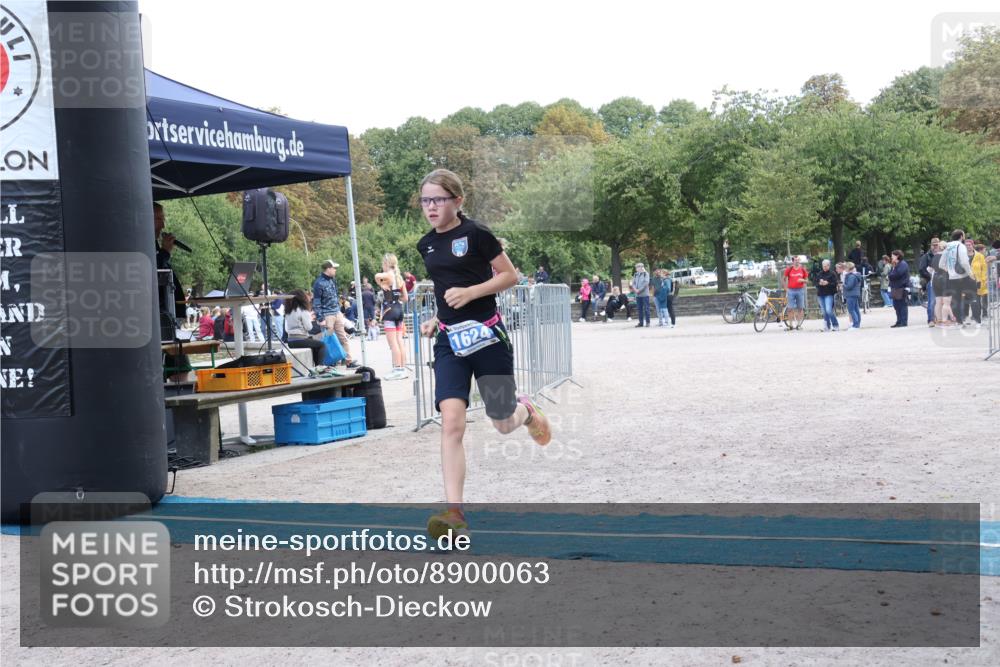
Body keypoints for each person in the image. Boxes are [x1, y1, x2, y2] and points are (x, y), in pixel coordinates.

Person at [416, 169, 551, 538]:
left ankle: (526, 411)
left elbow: (510, 276)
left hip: (488, 337)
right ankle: (455, 513)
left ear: (457, 201)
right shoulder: (425, 244)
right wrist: (435, 318)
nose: (431, 207)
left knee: (502, 422)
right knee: (452, 422)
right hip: (449, 344)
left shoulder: (476, 234)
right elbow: (447, 290)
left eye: (438, 200)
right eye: (426, 200)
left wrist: (472, 292)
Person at [153, 202, 190, 382]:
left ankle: (180, 398)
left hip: (168, 314)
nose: (163, 225)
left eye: (163, 219)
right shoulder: (141, 243)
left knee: (179, 363)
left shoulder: (154, 246)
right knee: (177, 362)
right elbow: (153, 272)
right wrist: (165, 252)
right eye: (158, 219)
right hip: (157, 316)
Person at [312, 259, 358, 368]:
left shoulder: (333, 280)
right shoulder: (318, 283)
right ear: (328, 269)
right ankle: (330, 362)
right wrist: (320, 318)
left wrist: (339, 312)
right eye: (334, 268)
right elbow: (317, 302)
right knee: (328, 340)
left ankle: (348, 361)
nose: (335, 270)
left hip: (336, 313)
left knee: (343, 338)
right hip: (327, 316)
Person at [376, 253, 410, 380]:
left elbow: (376, 275)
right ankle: (402, 367)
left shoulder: (388, 275)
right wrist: (396, 297)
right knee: (400, 340)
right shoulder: (399, 278)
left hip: (389, 311)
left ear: (386, 263)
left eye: (382, 264)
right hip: (399, 309)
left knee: (393, 343)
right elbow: (405, 298)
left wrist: (380, 284)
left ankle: (397, 369)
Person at [284, 290, 325, 366]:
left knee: (313, 344)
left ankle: (317, 368)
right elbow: (309, 327)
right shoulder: (303, 310)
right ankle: (320, 367)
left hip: (290, 341)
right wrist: (310, 320)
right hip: (300, 340)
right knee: (322, 345)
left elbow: (286, 329)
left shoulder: (288, 311)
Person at [781, 256, 808, 331]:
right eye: (795, 260)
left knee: (800, 308)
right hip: (791, 291)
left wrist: (802, 280)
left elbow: (807, 280)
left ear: (799, 261)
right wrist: (786, 288)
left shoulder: (802, 270)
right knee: (790, 308)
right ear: (793, 261)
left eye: (798, 260)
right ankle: (790, 325)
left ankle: (799, 325)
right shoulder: (789, 269)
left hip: (800, 290)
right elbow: (783, 279)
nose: (796, 261)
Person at [814, 259, 840, 332]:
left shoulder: (832, 274)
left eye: (826, 266)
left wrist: (827, 283)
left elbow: (835, 284)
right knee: (824, 311)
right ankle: (827, 326)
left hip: (829, 294)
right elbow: (815, 283)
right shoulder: (819, 274)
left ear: (829, 266)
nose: (824, 267)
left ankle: (835, 325)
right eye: (823, 266)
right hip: (820, 294)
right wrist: (820, 283)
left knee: (829, 310)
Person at [918, 239, 939, 326]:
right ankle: (931, 319)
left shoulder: (942, 254)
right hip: (931, 281)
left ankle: (940, 318)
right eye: (933, 245)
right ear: (931, 245)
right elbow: (921, 269)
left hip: (942, 281)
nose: (935, 247)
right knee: (932, 301)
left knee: (942, 301)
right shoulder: (926, 256)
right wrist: (930, 276)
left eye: (936, 245)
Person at [888, 250, 910, 327]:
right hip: (895, 288)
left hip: (902, 288)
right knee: (896, 305)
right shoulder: (895, 265)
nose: (891, 257)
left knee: (902, 305)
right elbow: (891, 275)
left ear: (897, 256)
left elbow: (897, 274)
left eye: (893, 256)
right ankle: (899, 321)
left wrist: (891, 275)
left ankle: (903, 322)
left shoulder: (903, 264)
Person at [842, 262, 862, 330]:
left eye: (846, 268)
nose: (845, 269)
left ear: (848, 268)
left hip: (851, 294)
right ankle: (857, 324)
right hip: (855, 294)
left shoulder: (851, 276)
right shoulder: (855, 275)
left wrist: (843, 285)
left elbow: (849, 286)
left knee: (851, 309)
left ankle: (855, 325)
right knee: (856, 309)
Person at [631, 263, 650, 328]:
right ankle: (641, 322)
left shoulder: (646, 274)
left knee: (646, 309)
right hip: (638, 295)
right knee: (639, 309)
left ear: (641, 267)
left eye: (637, 267)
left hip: (644, 294)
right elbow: (633, 283)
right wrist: (635, 289)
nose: (636, 268)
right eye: (636, 267)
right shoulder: (635, 274)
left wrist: (639, 290)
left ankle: (647, 322)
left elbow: (646, 283)